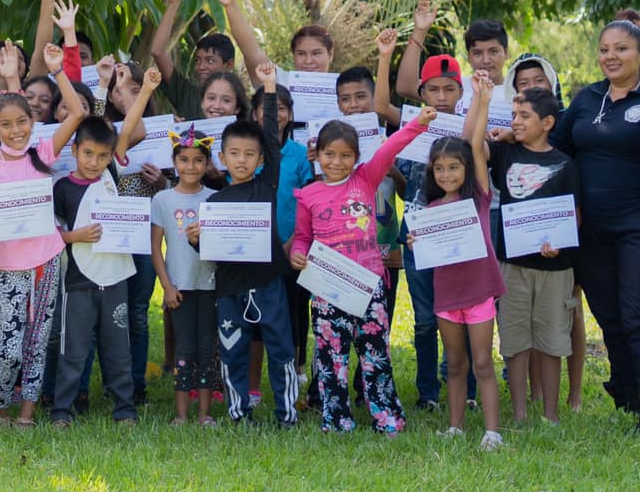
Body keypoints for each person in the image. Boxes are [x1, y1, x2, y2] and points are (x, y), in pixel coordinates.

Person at [550, 13, 640, 432]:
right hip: (592, 233)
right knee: (610, 318)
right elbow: (556, 148)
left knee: (639, 319)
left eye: (622, 49)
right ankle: (627, 397)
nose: (611, 56)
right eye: (605, 49)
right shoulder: (587, 100)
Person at [290, 106, 433, 433]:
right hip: (327, 291)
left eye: (345, 155)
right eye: (329, 154)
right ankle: (336, 419)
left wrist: (417, 124)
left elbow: (390, 147)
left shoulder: (366, 179)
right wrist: (298, 254)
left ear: (356, 157)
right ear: (318, 155)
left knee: (375, 356)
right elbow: (302, 238)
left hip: (369, 288)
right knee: (331, 359)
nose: (336, 162)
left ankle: (387, 418)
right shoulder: (308, 195)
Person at [0, 53, 82, 427]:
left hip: (47, 258)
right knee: (10, 343)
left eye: (22, 121)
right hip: (9, 266)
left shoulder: (43, 153)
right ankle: (1, 407)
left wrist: (56, 72)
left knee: (38, 338)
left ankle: (26, 414)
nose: (16, 129)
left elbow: (78, 113)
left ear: (34, 122)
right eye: (7, 124)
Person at [372, 28, 471, 410]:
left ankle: (468, 391)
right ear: (422, 93)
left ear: (461, 93)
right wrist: (385, 56)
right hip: (417, 236)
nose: (442, 97)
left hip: (460, 233)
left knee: (463, 312)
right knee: (426, 318)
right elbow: (383, 107)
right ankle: (428, 392)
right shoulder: (414, 124)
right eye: (434, 90)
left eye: (449, 89)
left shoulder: (468, 128)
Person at [469, 85, 578, 425]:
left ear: (547, 122)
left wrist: (560, 244)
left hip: (555, 268)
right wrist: (483, 102)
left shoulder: (566, 163)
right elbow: (474, 147)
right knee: (515, 340)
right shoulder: (505, 154)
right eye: (514, 115)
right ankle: (518, 413)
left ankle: (550, 415)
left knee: (551, 339)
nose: (515, 122)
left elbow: (572, 215)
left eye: (524, 116)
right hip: (511, 265)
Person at [210, 64, 300, 425]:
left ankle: (287, 413)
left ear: (262, 160)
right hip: (230, 288)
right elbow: (210, 254)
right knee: (233, 351)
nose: (242, 160)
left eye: (250, 154)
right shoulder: (214, 203)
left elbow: (273, 141)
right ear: (223, 158)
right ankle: (238, 413)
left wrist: (268, 87)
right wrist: (199, 237)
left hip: (269, 283)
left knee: (280, 348)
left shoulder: (266, 186)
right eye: (235, 154)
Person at [414, 93, 505, 448]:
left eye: (454, 166)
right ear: (432, 172)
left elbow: (474, 142)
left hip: (479, 292)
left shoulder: (479, 197)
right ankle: (454, 426)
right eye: (439, 168)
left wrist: (482, 100)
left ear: (467, 169)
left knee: (482, 363)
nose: (447, 173)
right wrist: (416, 241)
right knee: (454, 363)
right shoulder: (433, 207)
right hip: (447, 294)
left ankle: (492, 431)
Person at [49, 112, 139, 427]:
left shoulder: (111, 177)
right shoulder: (61, 188)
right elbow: (49, 234)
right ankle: (62, 410)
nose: (94, 162)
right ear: (74, 150)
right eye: (88, 153)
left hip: (115, 278)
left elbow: (127, 129)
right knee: (73, 349)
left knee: (118, 349)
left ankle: (125, 408)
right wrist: (75, 237)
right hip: (77, 281)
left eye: (103, 156)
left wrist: (146, 90)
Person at [152, 125, 216, 425]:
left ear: (208, 163)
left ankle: (204, 414)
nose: (191, 166)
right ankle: (181, 414)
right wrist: (167, 286)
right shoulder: (162, 200)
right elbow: (156, 249)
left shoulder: (216, 200)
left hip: (211, 285)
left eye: (198, 160)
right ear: (174, 162)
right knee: (183, 348)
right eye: (184, 160)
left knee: (207, 350)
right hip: (179, 287)